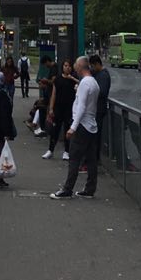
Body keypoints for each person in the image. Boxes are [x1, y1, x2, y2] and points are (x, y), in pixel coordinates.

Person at [50, 56, 99, 199]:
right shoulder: (94, 83)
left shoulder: (84, 83)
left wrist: (73, 127)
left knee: (74, 158)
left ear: (81, 66)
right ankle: (90, 188)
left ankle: (67, 189)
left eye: (76, 65)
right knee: (91, 159)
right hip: (91, 125)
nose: (74, 68)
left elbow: (81, 107)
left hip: (82, 125)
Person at [42, 59, 77, 160]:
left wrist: (72, 78)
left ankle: (66, 151)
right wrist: (51, 108)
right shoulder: (57, 79)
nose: (67, 68)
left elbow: (81, 84)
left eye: (69, 66)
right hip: (58, 108)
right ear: (62, 67)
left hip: (69, 109)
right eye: (65, 66)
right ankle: (50, 150)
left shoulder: (73, 79)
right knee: (55, 130)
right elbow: (54, 94)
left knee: (67, 129)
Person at [89, 53, 111, 162]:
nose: (92, 69)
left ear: (97, 64)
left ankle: (95, 159)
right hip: (96, 108)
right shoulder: (98, 74)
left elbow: (102, 92)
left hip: (99, 109)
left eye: (93, 66)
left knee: (96, 136)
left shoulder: (103, 76)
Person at [29, 55, 55, 136]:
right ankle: (36, 123)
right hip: (48, 95)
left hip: (50, 95)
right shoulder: (52, 68)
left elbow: (53, 81)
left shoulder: (54, 68)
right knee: (39, 105)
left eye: (45, 64)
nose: (45, 66)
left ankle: (41, 127)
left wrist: (46, 81)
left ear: (47, 61)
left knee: (41, 107)